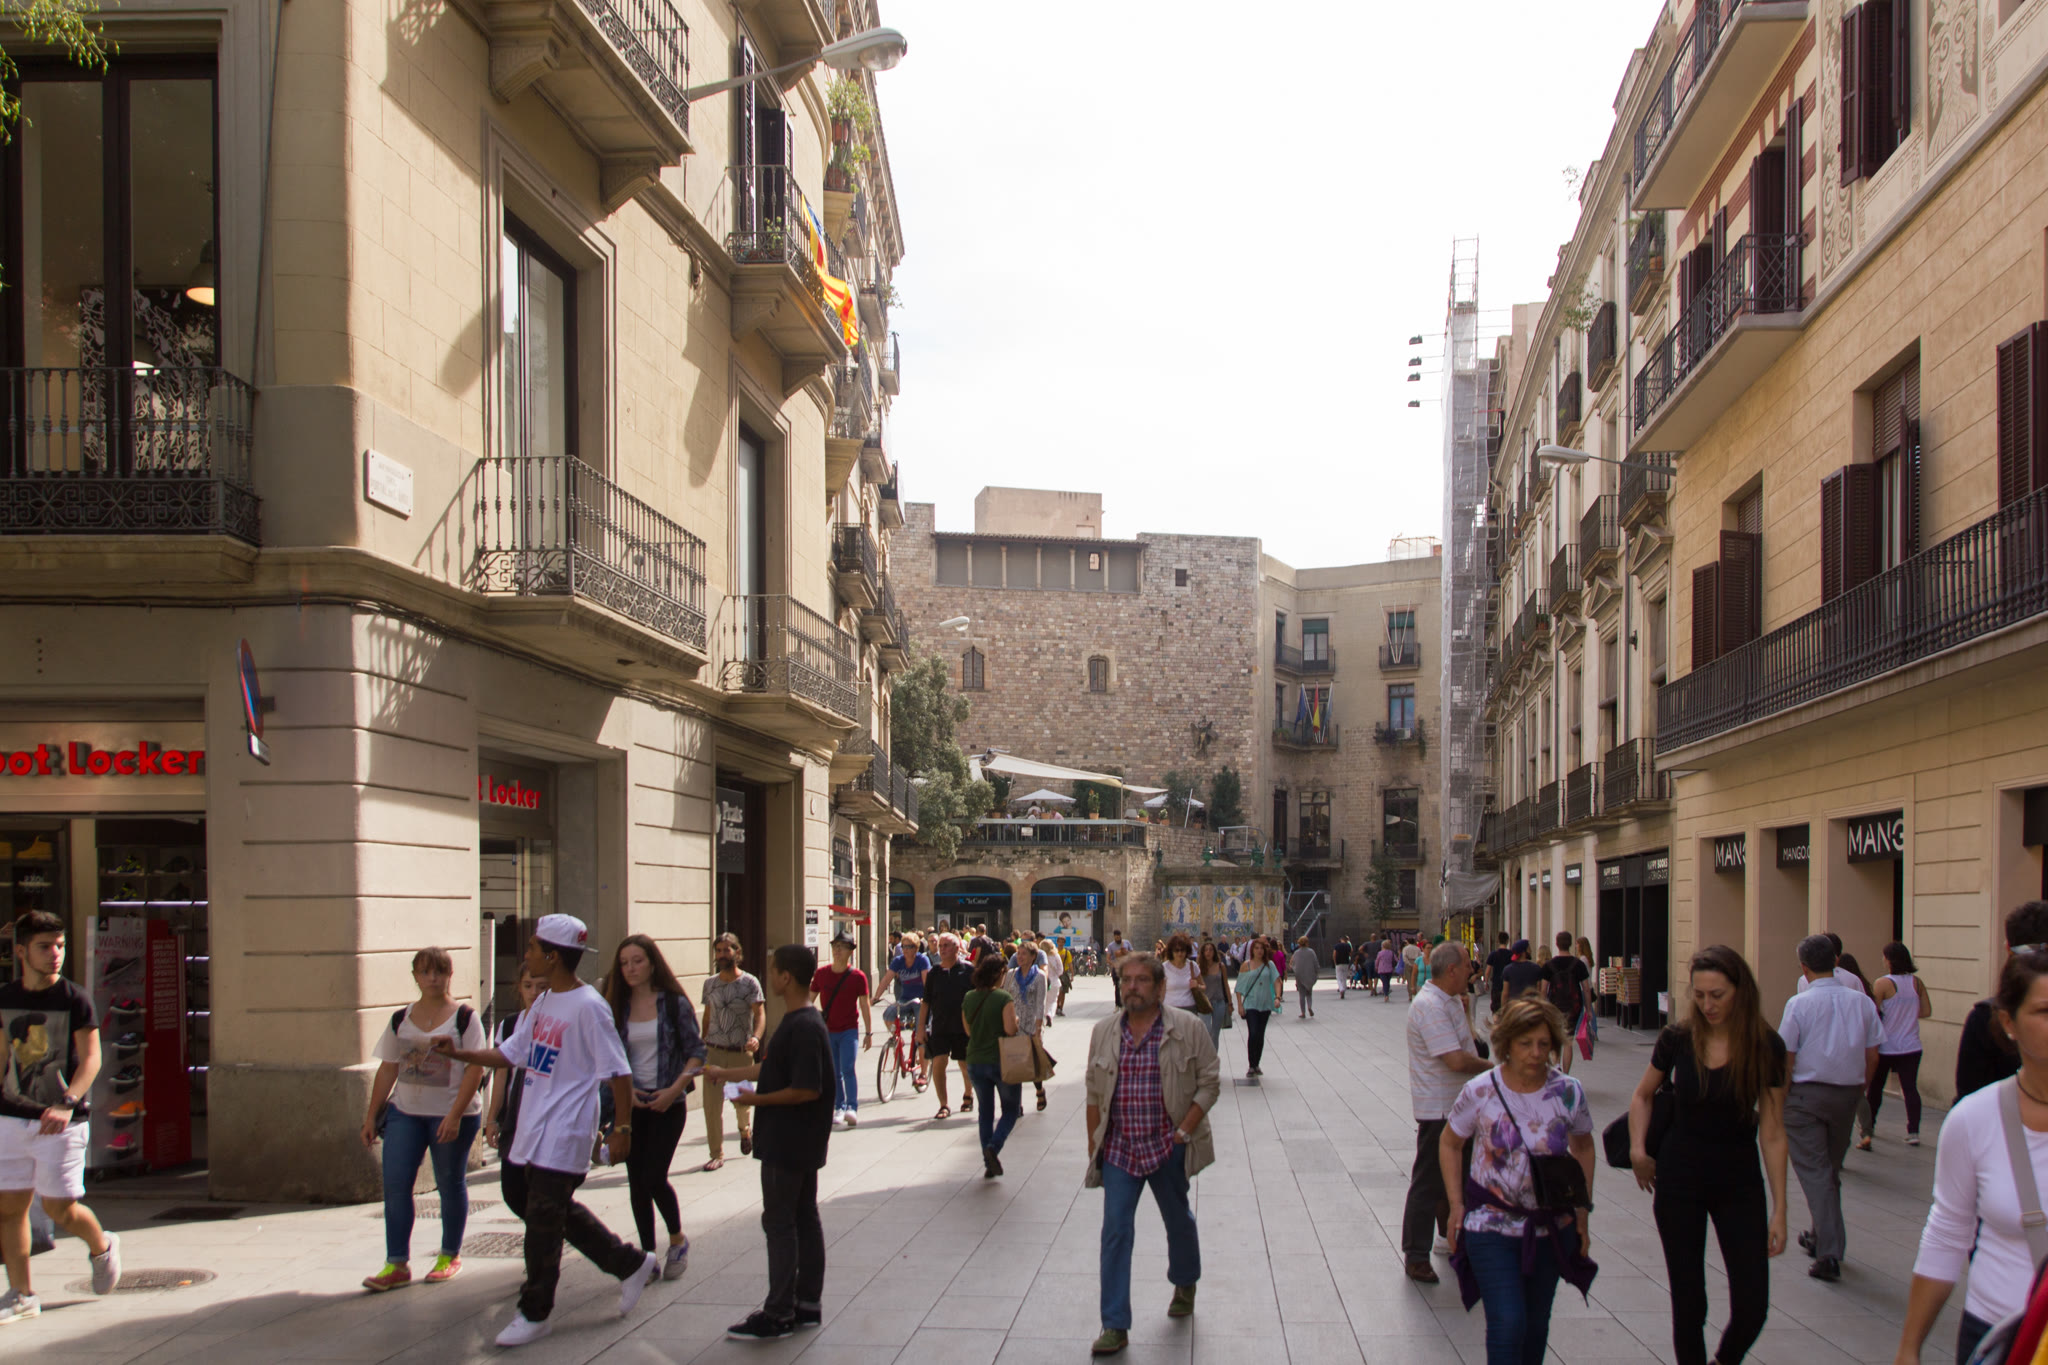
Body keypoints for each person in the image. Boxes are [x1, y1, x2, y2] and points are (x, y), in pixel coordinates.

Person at [431, 914, 660, 1348]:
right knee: (541, 1207)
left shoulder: (589, 1007)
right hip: (534, 1127)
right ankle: (630, 1263)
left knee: (542, 1220)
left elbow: (619, 1072)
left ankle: (534, 1311)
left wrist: (622, 1129)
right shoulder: (543, 1004)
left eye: (534, 947)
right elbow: (509, 1054)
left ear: (553, 957)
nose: (528, 953)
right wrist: (459, 1054)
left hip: (566, 1130)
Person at [1629, 946, 1790, 1365]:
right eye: (1699, 995)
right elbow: (1643, 1095)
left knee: (1753, 1304)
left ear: (1741, 990)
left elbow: (1773, 1132)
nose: (1708, 1005)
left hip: (1739, 1179)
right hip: (1680, 1176)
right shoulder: (1678, 1039)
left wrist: (1780, 1209)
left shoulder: (1766, 1046)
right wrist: (1638, 1149)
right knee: (1689, 1301)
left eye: (1717, 995)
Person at [1894, 944, 2048, 1365]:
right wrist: (1909, 1348)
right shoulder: (1975, 1119)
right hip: (2001, 1336)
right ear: (2008, 1022)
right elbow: (1947, 1232)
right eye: (2044, 1011)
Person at [1441, 997, 1598, 1365]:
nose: (1536, 1053)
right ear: (1507, 1043)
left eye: (1544, 1044)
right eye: (1526, 1043)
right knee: (1508, 1321)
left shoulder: (1568, 1091)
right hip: (1490, 1225)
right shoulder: (1481, 1090)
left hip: (1551, 1225)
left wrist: (1582, 1211)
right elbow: (1450, 1143)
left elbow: (1583, 1146)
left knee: (1536, 1325)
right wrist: (1456, 1204)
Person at [1086, 953, 1221, 1357]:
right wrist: (1094, 1144)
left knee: (1178, 1220)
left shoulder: (1188, 1028)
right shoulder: (1104, 1031)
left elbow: (1209, 1082)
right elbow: (1093, 1090)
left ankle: (1185, 1280)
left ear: (1161, 988)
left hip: (1167, 1146)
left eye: (1142, 979)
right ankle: (1114, 1323)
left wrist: (1185, 1129)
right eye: (1126, 979)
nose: (1132, 986)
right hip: (1120, 1149)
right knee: (1115, 1231)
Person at [706, 943, 836, 1341]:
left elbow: (805, 1089)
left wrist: (754, 1100)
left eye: (773, 969)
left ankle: (779, 1312)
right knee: (802, 1217)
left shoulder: (804, 1025)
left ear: (786, 977)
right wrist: (726, 1074)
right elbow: (773, 1069)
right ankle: (805, 1304)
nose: (769, 975)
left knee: (781, 1223)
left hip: (789, 1141)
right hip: (797, 1140)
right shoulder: (800, 1021)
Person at [0, 911, 120, 1323]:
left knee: (60, 1209)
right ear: (21, 951)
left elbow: (91, 1059)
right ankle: (21, 1294)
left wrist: (67, 1102)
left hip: (63, 1121)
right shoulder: (5, 997)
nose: (55, 954)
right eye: (45, 946)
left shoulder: (74, 998)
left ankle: (102, 1246)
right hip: (11, 1118)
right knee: (9, 1209)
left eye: (60, 945)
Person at [360, 945, 488, 1292]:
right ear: (415, 976)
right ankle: (396, 1263)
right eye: (425, 972)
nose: (432, 978)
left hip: (451, 1115)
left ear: (449, 975)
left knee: (449, 1183)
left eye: (439, 971)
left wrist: (455, 1115)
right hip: (405, 1113)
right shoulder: (401, 1019)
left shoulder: (465, 1018)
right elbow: (388, 1068)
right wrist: (371, 1116)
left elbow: (475, 1068)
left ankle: (449, 1256)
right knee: (396, 1185)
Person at [1777, 933, 1881, 1282]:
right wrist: (1860, 1088)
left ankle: (1830, 1252)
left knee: (1816, 1173)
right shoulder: (1862, 1002)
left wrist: (1781, 1098)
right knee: (1829, 1170)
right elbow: (1873, 1054)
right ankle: (1820, 1234)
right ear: (1836, 962)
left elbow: (1788, 1056)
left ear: (1804, 967)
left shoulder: (1799, 1004)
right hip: (1847, 1094)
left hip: (1806, 1096)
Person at [603, 935, 706, 1277]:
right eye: (624, 963)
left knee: (654, 1176)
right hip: (632, 1103)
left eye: (637, 961)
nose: (630, 969)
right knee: (636, 1182)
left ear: (652, 963)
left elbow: (696, 1051)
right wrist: (624, 1090)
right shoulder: (616, 1006)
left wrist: (674, 1089)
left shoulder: (673, 1003)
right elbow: (606, 1056)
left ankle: (677, 1239)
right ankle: (647, 1257)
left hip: (668, 1103)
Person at [1403, 942, 1490, 1284]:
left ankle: (1454, 1240)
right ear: (1451, 970)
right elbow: (1455, 1059)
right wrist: (1497, 1070)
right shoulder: (1429, 1006)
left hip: (1459, 1104)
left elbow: (1469, 1045)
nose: (1472, 969)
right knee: (1428, 1181)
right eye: (1467, 964)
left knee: (1458, 1177)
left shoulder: (1451, 1000)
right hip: (1439, 1108)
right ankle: (1416, 1254)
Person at [1956, 901, 2048, 1098]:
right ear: (2008, 1022)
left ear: (2008, 948)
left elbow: (1968, 1095)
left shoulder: (1983, 1018)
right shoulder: (1983, 1018)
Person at [699, 933, 766, 1171]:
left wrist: (756, 1037)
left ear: (737, 952)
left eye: (727, 950)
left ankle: (744, 1130)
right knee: (711, 1106)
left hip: (740, 1052)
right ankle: (716, 1153)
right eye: (718, 950)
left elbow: (760, 1014)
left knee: (740, 1102)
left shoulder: (749, 983)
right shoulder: (710, 984)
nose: (722, 955)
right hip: (714, 1051)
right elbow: (707, 1017)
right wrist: (701, 1045)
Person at [1858, 940, 1931, 1152]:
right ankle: (1913, 1132)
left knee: (1876, 1088)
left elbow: (1873, 1013)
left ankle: (1869, 1128)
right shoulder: (1917, 983)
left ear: (1889, 960)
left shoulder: (1882, 983)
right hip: (1911, 1045)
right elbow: (1926, 1011)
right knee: (1910, 1089)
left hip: (1886, 1045)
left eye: (1884, 957)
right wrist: (1907, 1015)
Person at [484, 967, 546, 1191]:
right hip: (515, 1113)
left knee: (541, 1185)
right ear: (519, 988)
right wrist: (492, 1119)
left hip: (544, 1114)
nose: (534, 992)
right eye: (528, 986)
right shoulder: (510, 1024)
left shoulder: (557, 1024)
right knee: (511, 1186)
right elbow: (501, 1074)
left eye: (541, 987)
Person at [965, 954, 1023, 1176]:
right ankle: (993, 1147)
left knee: (985, 1112)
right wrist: (1015, 1021)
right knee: (1010, 1110)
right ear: (999, 974)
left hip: (975, 1060)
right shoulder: (1003, 997)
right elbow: (1010, 1030)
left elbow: (968, 1030)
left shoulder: (969, 997)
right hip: (1001, 1061)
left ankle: (988, 1161)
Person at [809, 934, 872, 1128]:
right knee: (833, 1071)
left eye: (842, 946)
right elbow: (808, 1000)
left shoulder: (858, 977)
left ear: (850, 951)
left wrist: (869, 1033)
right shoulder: (821, 974)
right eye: (835, 946)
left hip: (848, 1030)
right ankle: (838, 1107)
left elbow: (864, 1005)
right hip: (828, 1030)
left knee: (848, 1068)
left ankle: (852, 1107)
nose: (837, 950)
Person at [917, 933, 976, 1119]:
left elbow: (978, 997)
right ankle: (943, 1105)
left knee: (964, 1064)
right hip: (940, 1026)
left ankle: (968, 1093)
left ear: (957, 948)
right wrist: (920, 1028)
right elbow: (926, 1002)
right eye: (940, 946)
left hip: (963, 1027)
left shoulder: (969, 971)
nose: (942, 949)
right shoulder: (934, 973)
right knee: (938, 1063)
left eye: (946, 946)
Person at [1001, 938, 1051, 1113]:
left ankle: (1039, 1090)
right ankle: (1017, 1104)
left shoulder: (1039, 976)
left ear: (1032, 957)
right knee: (1015, 1064)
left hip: (1031, 1024)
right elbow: (1004, 997)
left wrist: (1038, 1028)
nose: (1020, 957)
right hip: (1014, 1023)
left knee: (1032, 1063)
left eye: (1024, 954)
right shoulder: (1010, 974)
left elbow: (1040, 1004)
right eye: (1018, 954)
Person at [873, 930, 930, 1081]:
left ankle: (923, 1073)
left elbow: (927, 982)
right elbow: (886, 979)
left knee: (920, 1035)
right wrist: (876, 997)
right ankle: (897, 1039)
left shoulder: (922, 960)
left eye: (909, 947)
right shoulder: (898, 961)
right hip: (905, 999)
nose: (905, 950)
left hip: (920, 1000)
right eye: (903, 946)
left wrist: (927, 999)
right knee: (888, 1015)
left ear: (916, 948)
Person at [1233, 939, 1281, 1078]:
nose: (1259, 951)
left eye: (1261, 948)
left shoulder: (1269, 965)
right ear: (1252, 950)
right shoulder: (1246, 965)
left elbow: (1277, 981)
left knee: (1260, 1034)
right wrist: (1240, 1005)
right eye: (1256, 948)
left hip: (1265, 1004)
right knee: (1253, 1033)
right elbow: (1239, 987)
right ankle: (1251, 1064)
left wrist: (1277, 997)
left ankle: (1257, 1063)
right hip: (1251, 1004)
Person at [1546, 931, 1591, 1076]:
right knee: (1568, 1040)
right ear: (1570, 944)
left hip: (1554, 1006)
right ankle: (1565, 1074)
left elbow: (1542, 989)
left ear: (1557, 944)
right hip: (1574, 1006)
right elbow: (1586, 989)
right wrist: (1588, 1009)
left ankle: (1556, 1066)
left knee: (1556, 1038)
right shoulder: (1578, 964)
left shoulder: (1549, 965)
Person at [1195, 941, 1229, 1052]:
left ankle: (1213, 1056)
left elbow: (1226, 984)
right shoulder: (1198, 968)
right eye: (1206, 950)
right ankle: (1207, 1055)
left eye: (1210, 950)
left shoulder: (1220, 966)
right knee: (1207, 1030)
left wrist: (1230, 1003)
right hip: (1204, 1003)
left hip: (1219, 1002)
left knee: (1215, 1033)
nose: (1208, 952)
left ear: (1214, 952)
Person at [1160, 933, 1198, 1012]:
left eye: (1182, 950)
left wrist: (1197, 986)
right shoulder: (1164, 967)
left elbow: (1203, 986)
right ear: (1171, 951)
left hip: (1189, 1009)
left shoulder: (1192, 966)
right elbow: (1160, 991)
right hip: (1170, 1009)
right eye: (1176, 950)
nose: (1180, 953)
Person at [1499, 940, 1546, 1005]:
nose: (1531, 951)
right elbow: (1538, 989)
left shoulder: (1507, 970)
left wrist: (1504, 1008)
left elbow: (1505, 993)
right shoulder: (1536, 968)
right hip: (1531, 1006)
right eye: (1529, 949)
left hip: (1514, 1006)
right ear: (1523, 952)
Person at [1484, 932, 1515, 1023]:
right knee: (1507, 1010)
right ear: (1507, 941)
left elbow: (1487, 971)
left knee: (1496, 1010)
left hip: (1496, 986)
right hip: (1508, 986)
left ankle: (1496, 1025)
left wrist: (1486, 982)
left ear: (1498, 941)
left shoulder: (1493, 954)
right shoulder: (1511, 954)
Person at [1292, 937, 1320, 1018]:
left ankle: (1303, 1012)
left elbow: (1294, 964)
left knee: (1301, 995)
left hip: (1300, 975)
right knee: (1309, 993)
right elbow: (1315, 962)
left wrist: (1295, 972)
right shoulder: (1311, 952)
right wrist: (1317, 971)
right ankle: (1309, 1006)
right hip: (1309, 974)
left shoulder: (1296, 953)